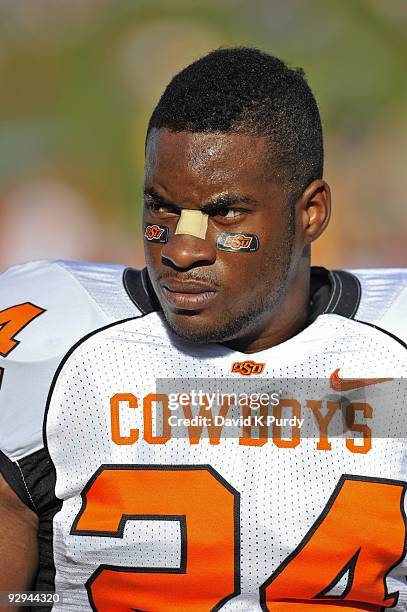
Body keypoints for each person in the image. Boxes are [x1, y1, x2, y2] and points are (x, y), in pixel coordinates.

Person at [0, 47, 406, 611]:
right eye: (161, 209)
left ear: (310, 213)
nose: (184, 248)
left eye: (226, 213)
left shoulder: (393, 347)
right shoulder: (56, 340)